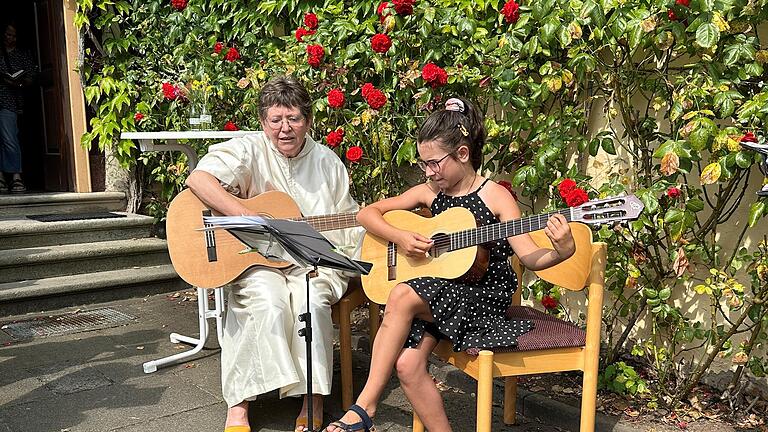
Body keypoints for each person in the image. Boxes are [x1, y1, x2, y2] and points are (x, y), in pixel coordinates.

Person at [327, 97, 576, 432]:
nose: (429, 172)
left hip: (483, 299)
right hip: (440, 294)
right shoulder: (431, 192)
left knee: (401, 295)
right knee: (408, 364)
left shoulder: (496, 197)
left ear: (462, 154)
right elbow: (366, 214)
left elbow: (530, 256)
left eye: (434, 163)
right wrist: (400, 236)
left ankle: (364, 407)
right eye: (424, 165)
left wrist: (561, 251)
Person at [185, 76, 363, 432]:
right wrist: (243, 214)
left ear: (308, 121)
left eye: (294, 119)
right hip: (256, 259)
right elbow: (199, 179)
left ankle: (311, 397)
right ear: (263, 122)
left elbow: (349, 220)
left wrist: (353, 254)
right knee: (267, 300)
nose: (285, 129)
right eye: (275, 120)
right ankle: (239, 405)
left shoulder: (327, 162)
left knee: (309, 301)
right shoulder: (249, 148)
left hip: (312, 259)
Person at [0, 22, 36, 194]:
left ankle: (16, 176)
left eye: (13, 35)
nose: (10, 38)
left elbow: (31, 77)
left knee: (10, 138)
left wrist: (18, 82)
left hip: (10, 100)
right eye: (8, 34)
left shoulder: (23, 54)